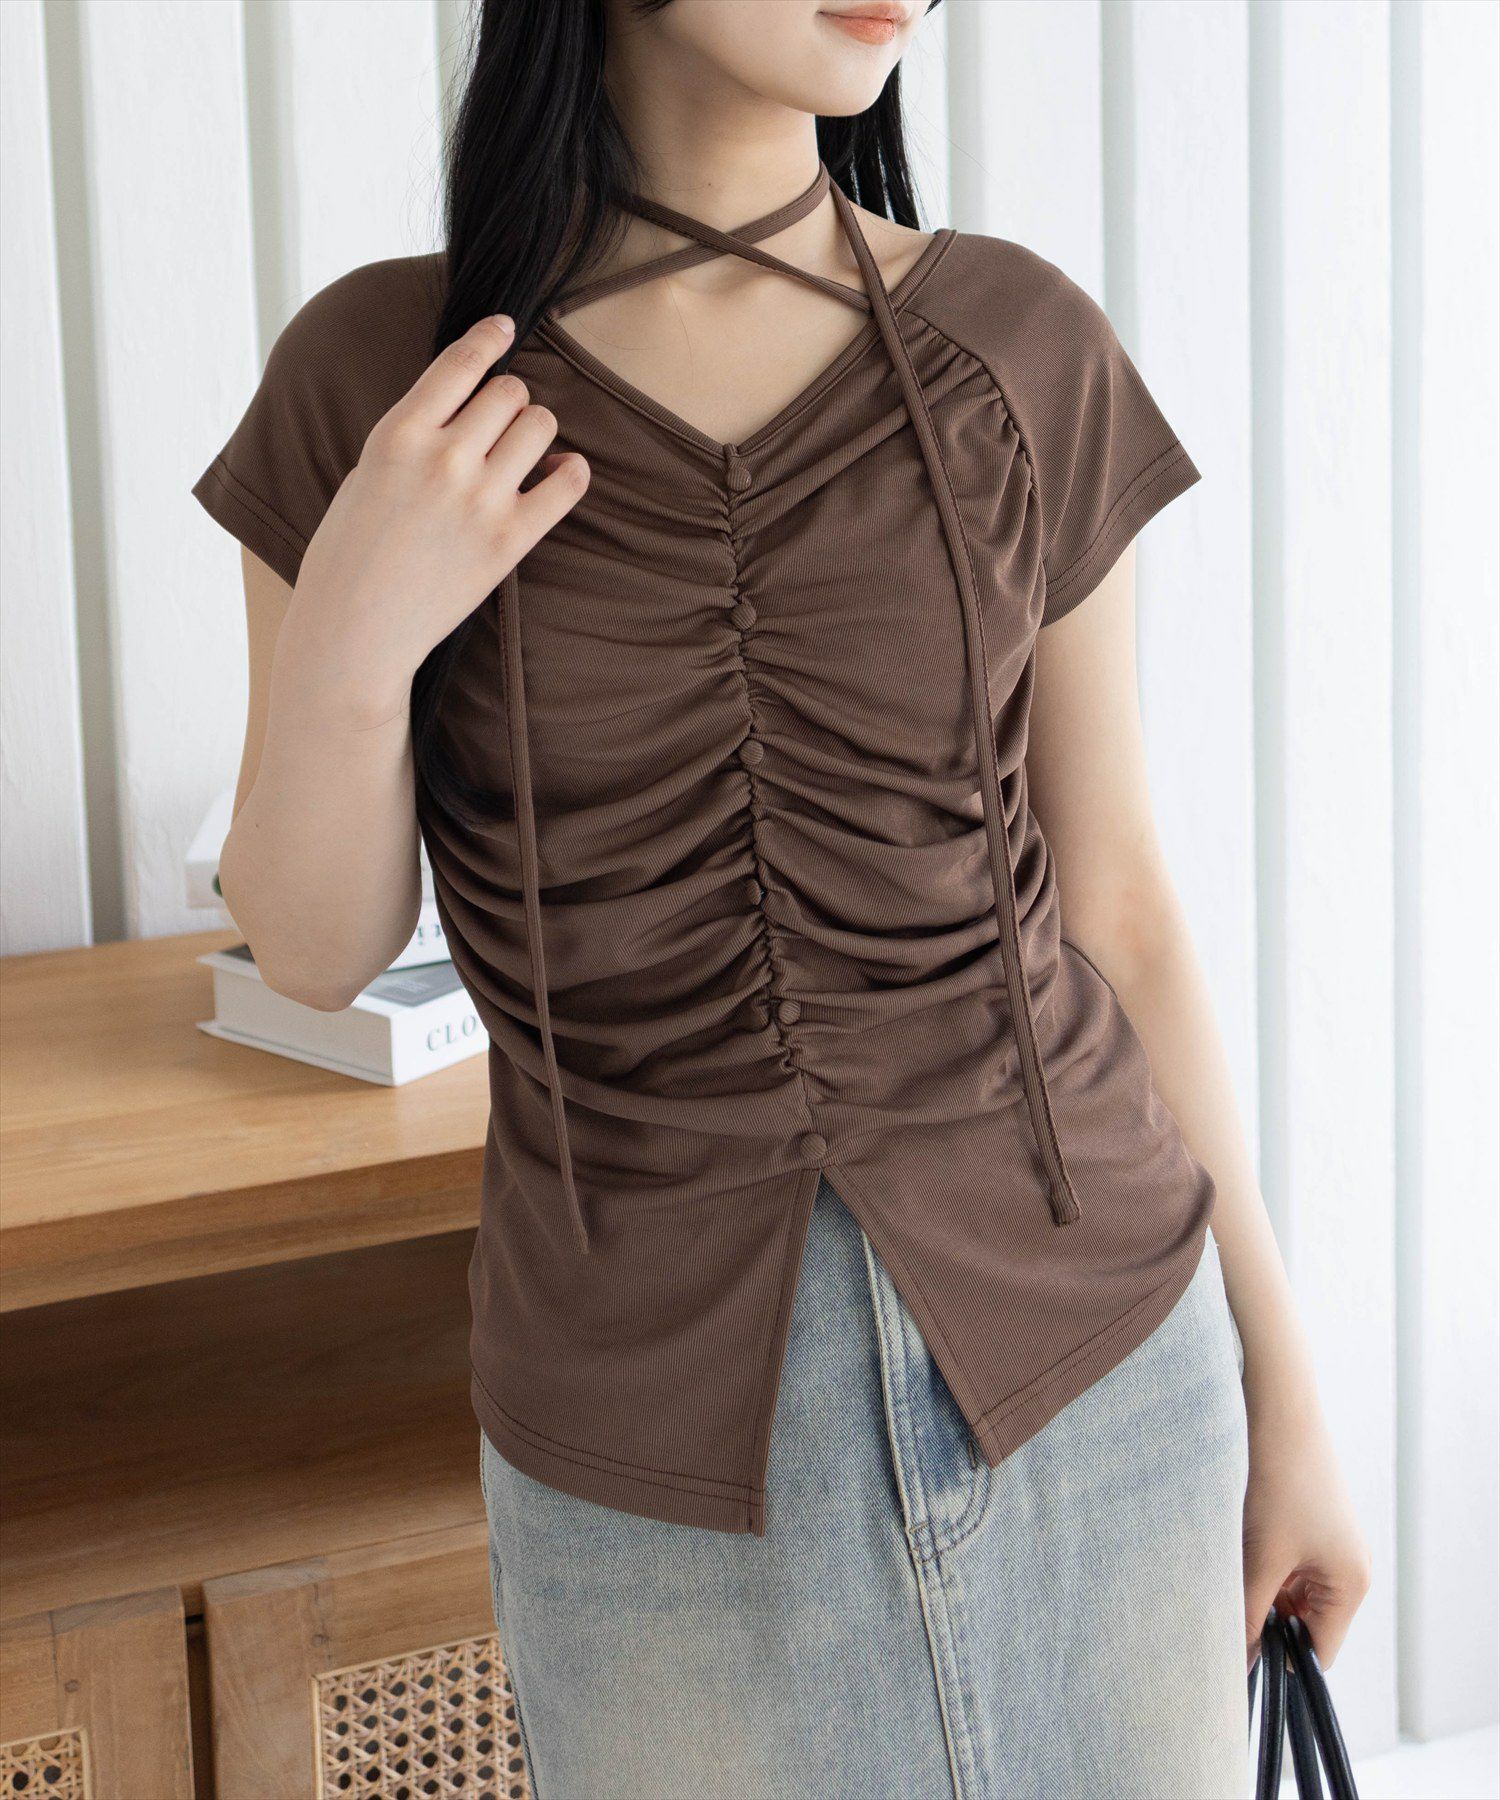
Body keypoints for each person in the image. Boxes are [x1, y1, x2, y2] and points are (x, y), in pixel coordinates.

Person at [190, 1, 1371, 1793]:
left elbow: (1118, 908)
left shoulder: (1016, 342)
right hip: (649, 1465)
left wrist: (1287, 1392)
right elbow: (312, 945)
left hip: (1111, 1393)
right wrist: (358, 623)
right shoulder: (383, 379)